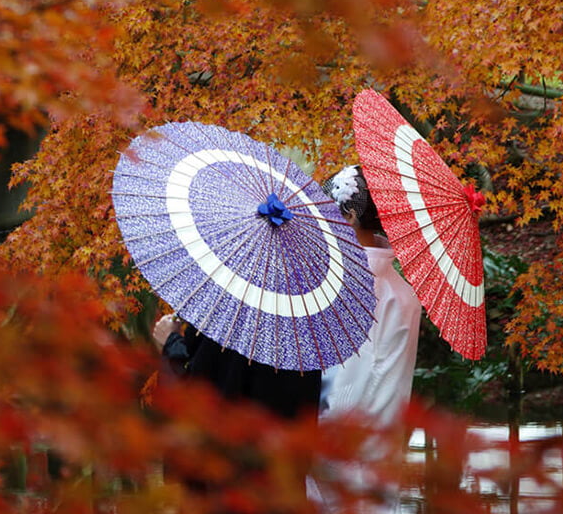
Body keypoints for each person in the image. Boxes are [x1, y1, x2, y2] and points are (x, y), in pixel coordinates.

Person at [315, 165, 423, 513]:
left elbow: (345, 393)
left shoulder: (350, 289)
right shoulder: (402, 291)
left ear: (349, 217)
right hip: (383, 453)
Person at [152, 315, 321, 420]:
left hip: (227, 462)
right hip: (280, 465)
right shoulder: (309, 334)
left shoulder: (225, 320)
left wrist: (171, 342)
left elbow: (190, 394)